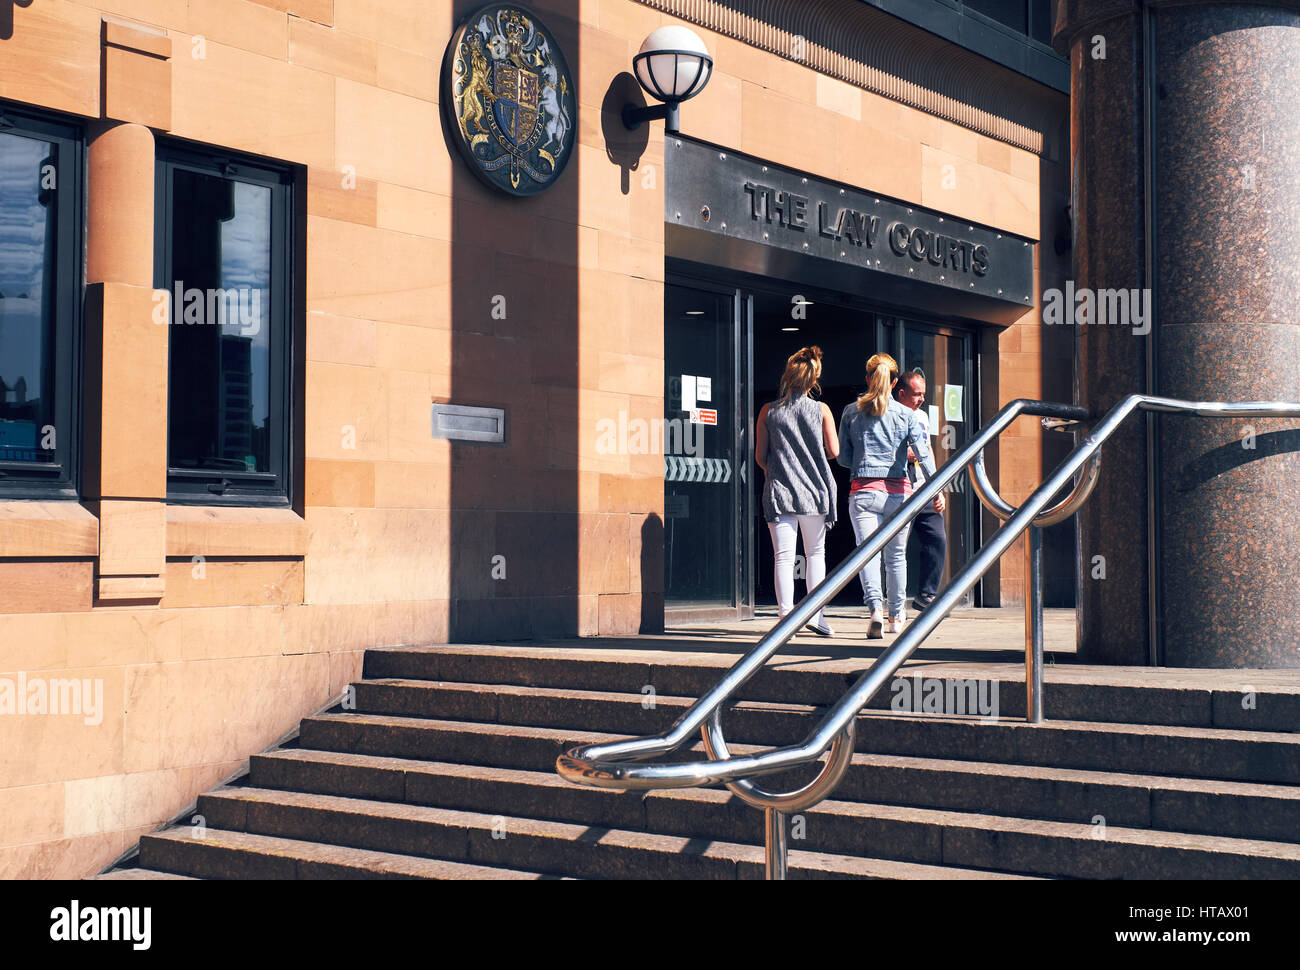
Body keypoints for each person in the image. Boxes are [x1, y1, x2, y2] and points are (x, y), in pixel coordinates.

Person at [838, 353, 936, 639]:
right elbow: (924, 456)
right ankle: (896, 617)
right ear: (895, 383)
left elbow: (844, 458)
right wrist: (937, 488)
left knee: (868, 556)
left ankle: (875, 612)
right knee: (896, 559)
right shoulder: (908, 415)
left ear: (868, 378)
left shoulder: (850, 411)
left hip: (864, 492)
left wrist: (863, 459)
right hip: (898, 493)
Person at [756, 346, 840, 637]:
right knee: (816, 553)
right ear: (813, 381)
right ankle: (815, 615)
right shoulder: (822, 410)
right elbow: (835, 450)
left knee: (783, 557)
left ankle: (784, 618)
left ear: (787, 376)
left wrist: (780, 468)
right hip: (815, 491)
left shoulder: (769, 411)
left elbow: (759, 456)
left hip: (779, 491)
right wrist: (812, 459)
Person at [898, 371, 947, 612]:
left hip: (923, 487)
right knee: (897, 548)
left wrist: (937, 487)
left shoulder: (923, 417)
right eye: (917, 394)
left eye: (923, 395)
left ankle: (926, 595)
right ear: (902, 394)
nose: (921, 399)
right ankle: (892, 601)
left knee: (937, 538)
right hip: (899, 487)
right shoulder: (891, 414)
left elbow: (927, 450)